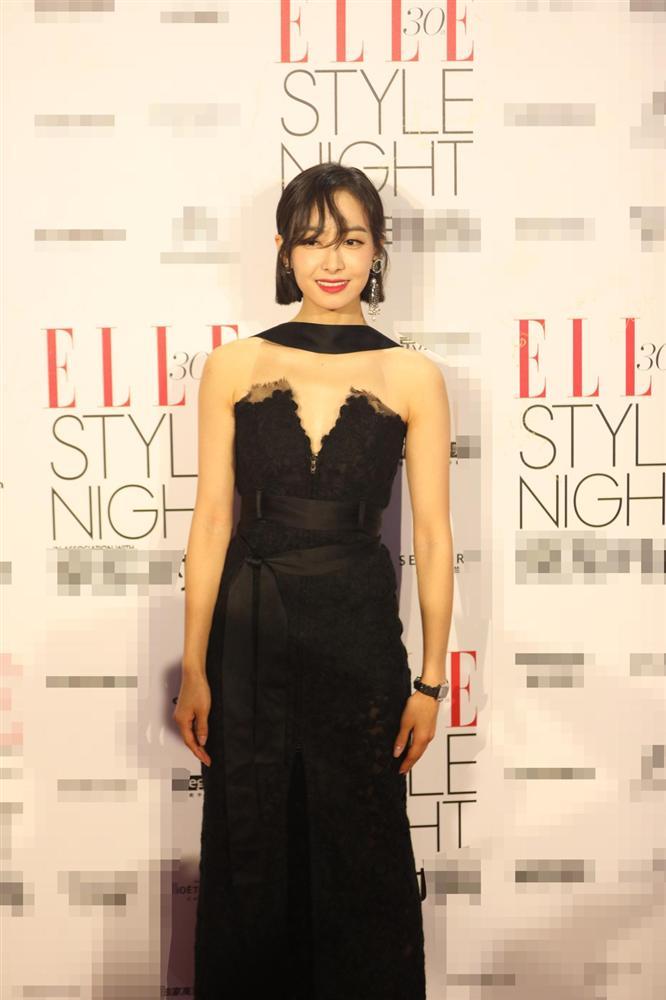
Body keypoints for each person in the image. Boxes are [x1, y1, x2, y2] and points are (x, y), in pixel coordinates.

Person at [173, 161, 453, 1000]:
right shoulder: (233, 364)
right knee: (252, 846)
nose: (332, 261)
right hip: (251, 636)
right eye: (312, 240)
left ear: (378, 251)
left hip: (358, 640)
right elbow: (212, 521)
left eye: (352, 240)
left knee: (361, 851)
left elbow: (433, 537)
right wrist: (195, 666)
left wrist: (429, 682)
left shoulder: (414, 376)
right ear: (284, 250)